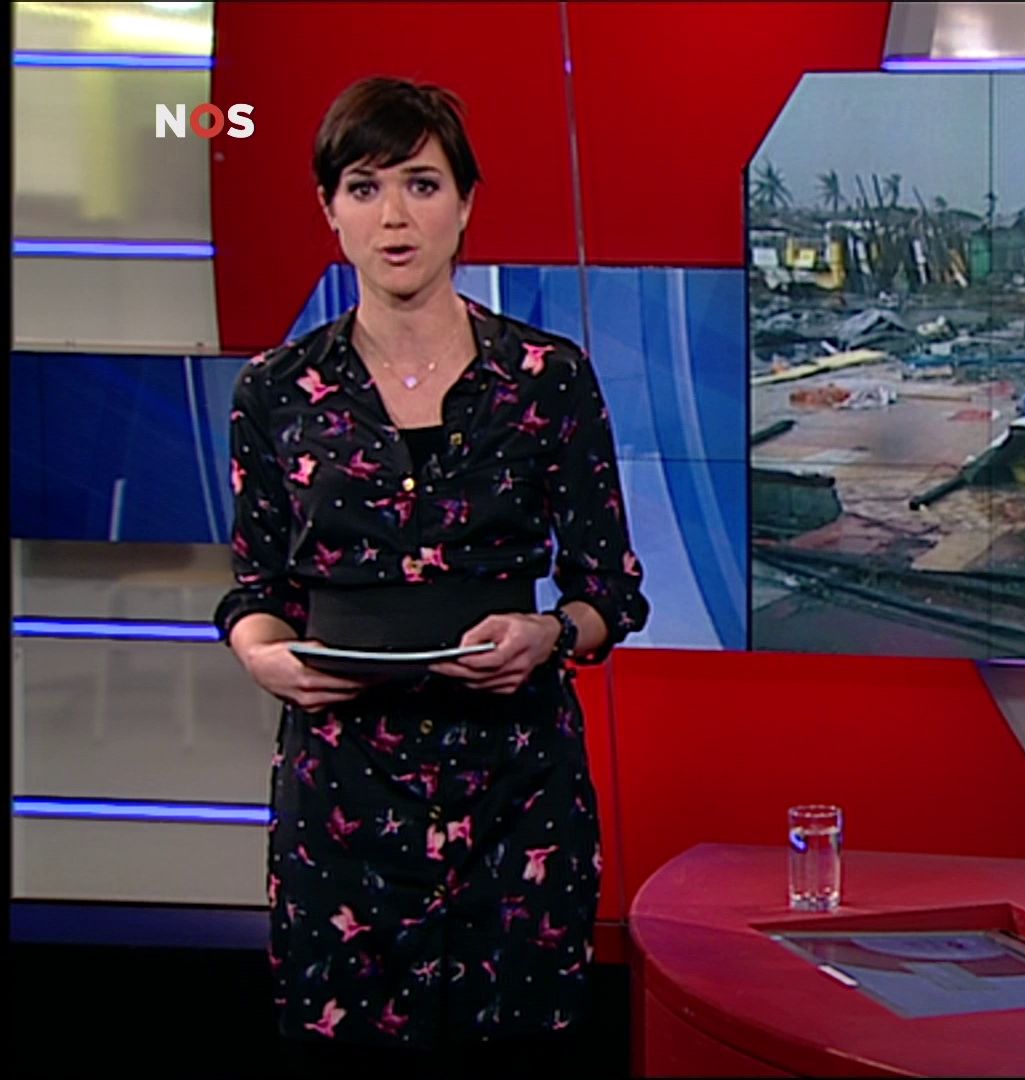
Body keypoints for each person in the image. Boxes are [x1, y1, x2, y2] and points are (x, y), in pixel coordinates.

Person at [215, 76, 648, 1078]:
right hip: (343, 799)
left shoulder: (548, 379)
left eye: (421, 183)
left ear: (466, 202)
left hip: (515, 791)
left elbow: (611, 589)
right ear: (330, 212)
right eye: (364, 188)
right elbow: (255, 588)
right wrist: (260, 653)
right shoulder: (275, 391)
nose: (395, 216)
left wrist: (552, 633)